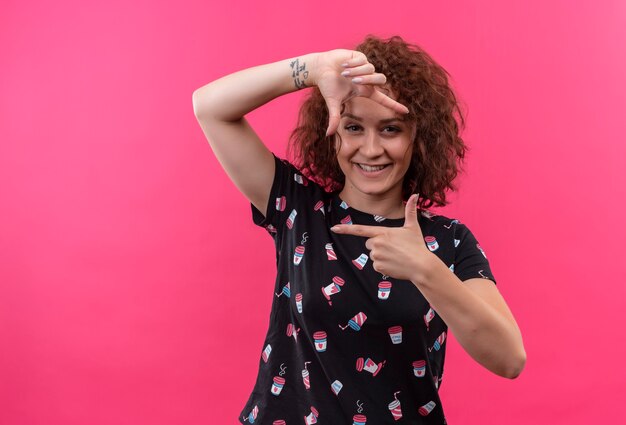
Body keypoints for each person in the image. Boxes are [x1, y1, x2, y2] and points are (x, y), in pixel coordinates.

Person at [192, 34, 526, 425]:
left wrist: (425, 269)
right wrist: (313, 69)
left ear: (419, 138)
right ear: (331, 132)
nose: (370, 150)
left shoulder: (448, 241)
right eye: (353, 127)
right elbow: (210, 107)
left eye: (390, 129)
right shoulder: (298, 208)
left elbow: (509, 359)